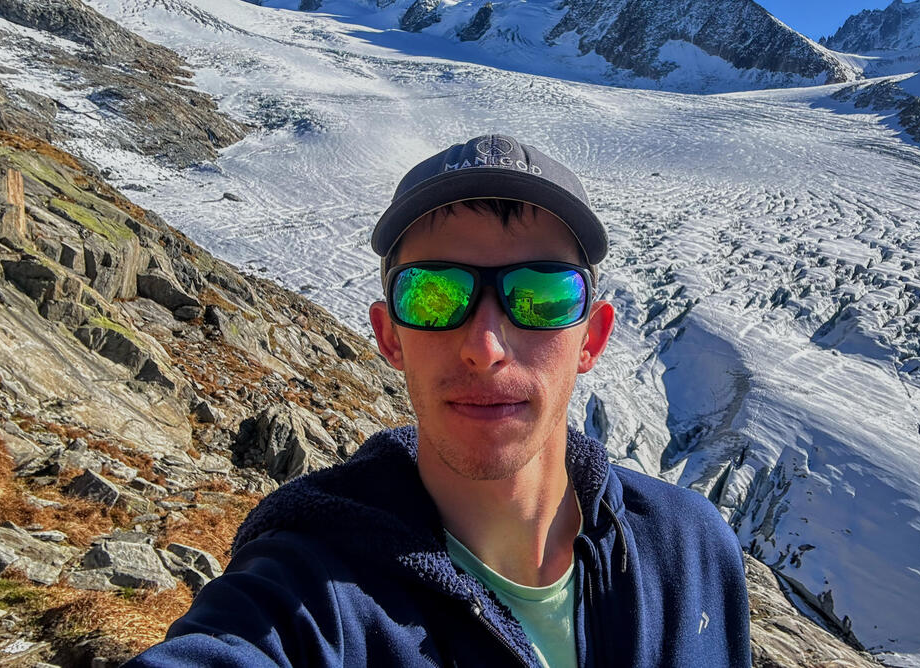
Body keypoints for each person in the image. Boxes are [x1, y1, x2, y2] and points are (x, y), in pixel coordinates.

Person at [128, 134, 752, 667]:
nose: (485, 346)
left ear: (591, 337)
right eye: (434, 295)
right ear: (388, 336)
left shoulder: (691, 552)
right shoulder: (307, 594)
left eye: (541, 296)